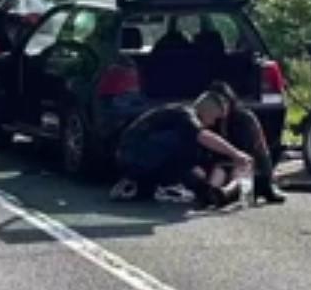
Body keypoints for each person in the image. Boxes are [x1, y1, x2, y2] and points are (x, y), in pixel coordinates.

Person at [109, 89, 253, 208]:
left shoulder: (182, 118)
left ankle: (140, 186)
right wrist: (236, 154)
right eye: (215, 118)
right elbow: (203, 137)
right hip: (133, 155)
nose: (214, 123)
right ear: (208, 110)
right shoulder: (185, 114)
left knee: (192, 150)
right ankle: (133, 179)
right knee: (187, 142)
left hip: (137, 155)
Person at [207, 81, 287, 204]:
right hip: (225, 162)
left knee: (238, 170)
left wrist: (268, 176)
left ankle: (226, 192)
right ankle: (210, 193)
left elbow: (255, 151)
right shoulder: (214, 121)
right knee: (219, 172)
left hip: (249, 163)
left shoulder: (245, 119)